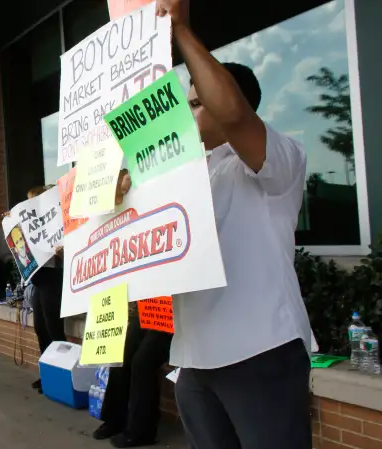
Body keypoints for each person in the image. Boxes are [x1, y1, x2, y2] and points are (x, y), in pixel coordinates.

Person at [114, 2, 311, 448]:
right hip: (193, 362)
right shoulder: (179, 176)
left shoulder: (277, 157)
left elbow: (235, 116)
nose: (186, 115)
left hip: (260, 353)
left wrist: (180, 30)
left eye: (198, 103)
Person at [93, 313, 172, 447]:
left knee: (142, 362)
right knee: (121, 356)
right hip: (148, 307)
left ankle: (142, 430)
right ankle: (115, 419)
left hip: (172, 316)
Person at [23, 185, 65, 394]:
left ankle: (60, 374)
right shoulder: (34, 225)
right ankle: (47, 373)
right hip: (39, 279)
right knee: (41, 328)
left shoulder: (55, 222)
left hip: (53, 277)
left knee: (53, 328)